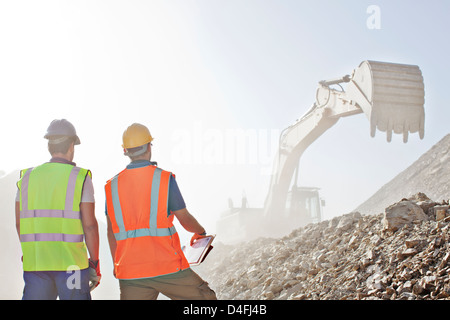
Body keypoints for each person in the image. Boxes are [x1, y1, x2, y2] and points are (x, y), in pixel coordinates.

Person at [105, 123, 217, 300]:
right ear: (149, 146)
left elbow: (111, 231)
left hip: (131, 272)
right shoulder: (164, 179)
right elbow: (184, 218)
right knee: (205, 299)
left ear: (125, 151)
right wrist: (200, 232)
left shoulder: (111, 186)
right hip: (167, 266)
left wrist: (116, 264)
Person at [15, 119, 101, 300]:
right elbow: (90, 226)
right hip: (72, 268)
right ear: (71, 145)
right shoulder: (81, 178)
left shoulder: (27, 178)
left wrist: (30, 251)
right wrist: (94, 263)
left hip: (37, 265)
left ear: (49, 147)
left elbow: (19, 222)